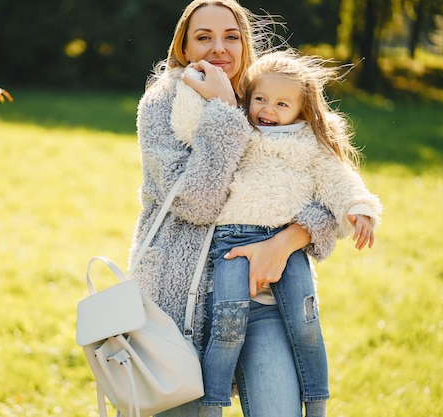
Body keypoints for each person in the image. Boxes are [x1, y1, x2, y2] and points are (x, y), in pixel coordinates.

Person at [127, 1, 339, 416]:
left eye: (231, 36)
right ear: (184, 48)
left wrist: (284, 243)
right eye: (204, 37)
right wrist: (224, 112)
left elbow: (325, 187)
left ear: (245, 43)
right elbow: (197, 203)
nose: (218, 48)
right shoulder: (163, 104)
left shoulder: (269, 100)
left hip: (261, 296)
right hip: (178, 305)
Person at [171, 49, 383, 417]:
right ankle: (212, 404)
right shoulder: (242, 130)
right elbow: (193, 131)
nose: (267, 110)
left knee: (306, 327)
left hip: (288, 250)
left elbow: (339, 180)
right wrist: (195, 88)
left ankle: (316, 403)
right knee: (227, 327)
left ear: (302, 110)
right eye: (260, 99)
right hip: (232, 244)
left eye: (282, 104)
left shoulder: (312, 146)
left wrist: (360, 209)